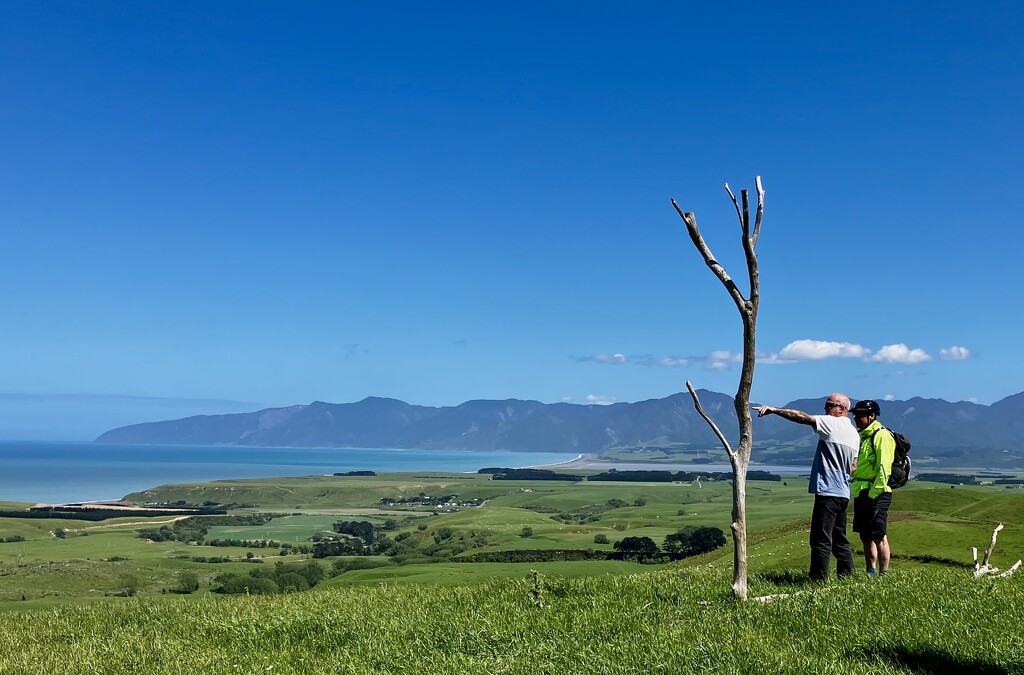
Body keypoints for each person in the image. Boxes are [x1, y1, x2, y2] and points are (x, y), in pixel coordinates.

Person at [756, 393, 859, 581]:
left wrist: (774, 410)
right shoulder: (854, 433)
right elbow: (853, 467)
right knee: (839, 538)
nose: (826, 409)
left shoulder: (832, 423)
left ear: (842, 409)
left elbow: (802, 417)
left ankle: (818, 581)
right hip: (843, 492)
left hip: (827, 490)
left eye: (829, 405)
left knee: (820, 539)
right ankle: (848, 577)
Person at [849, 399, 895, 577]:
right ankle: (871, 572)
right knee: (865, 534)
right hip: (861, 490)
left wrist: (873, 494)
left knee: (878, 534)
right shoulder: (864, 436)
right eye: (855, 415)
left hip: (877, 492)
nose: (856, 418)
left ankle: (884, 574)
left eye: (860, 415)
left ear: (872, 416)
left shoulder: (881, 435)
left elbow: (884, 468)